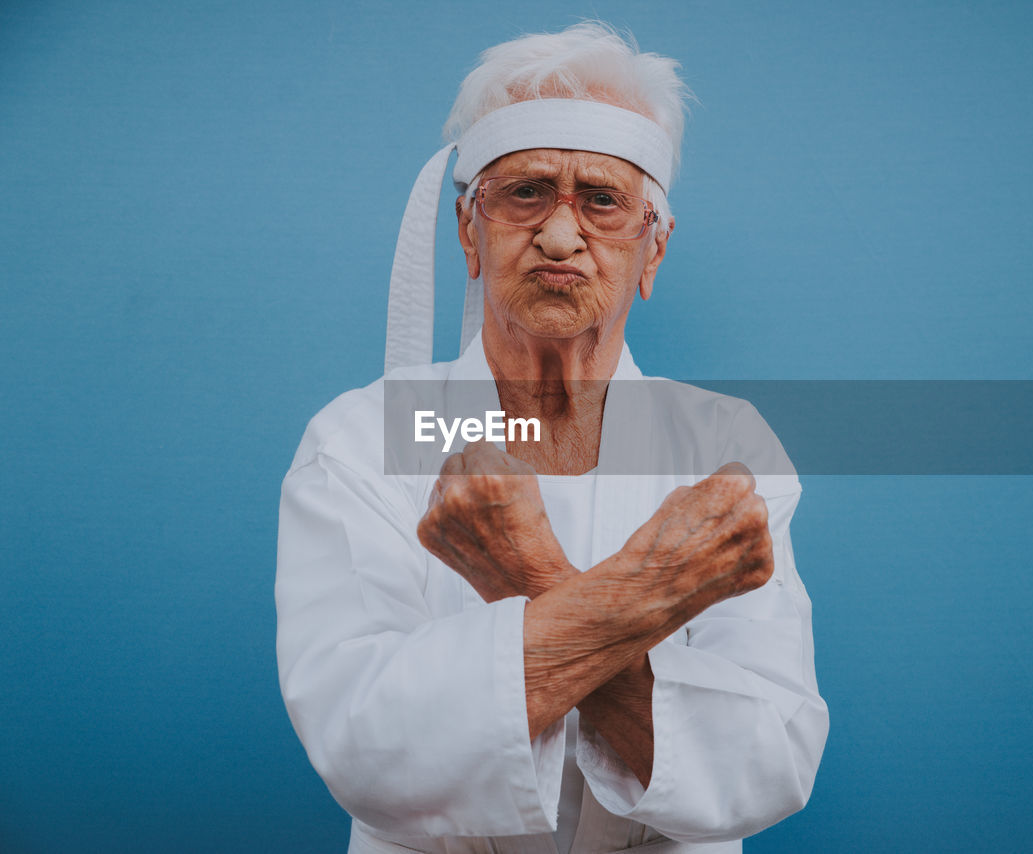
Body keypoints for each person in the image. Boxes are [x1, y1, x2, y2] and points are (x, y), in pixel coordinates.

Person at [276, 22, 828, 854]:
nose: (561, 235)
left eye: (601, 201)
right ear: (470, 230)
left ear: (654, 246)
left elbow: (770, 760)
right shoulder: (361, 439)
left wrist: (525, 578)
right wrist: (653, 591)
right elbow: (365, 745)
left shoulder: (723, 449)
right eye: (526, 192)